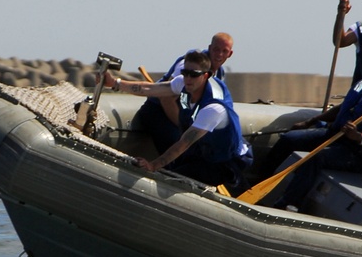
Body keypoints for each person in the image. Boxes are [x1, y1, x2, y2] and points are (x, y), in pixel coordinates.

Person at [104, 50, 252, 194]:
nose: (188, 78)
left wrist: (152, 165)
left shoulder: (213, 109)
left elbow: (184, 143)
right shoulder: (185, 83)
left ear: (205, 76)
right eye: (185, 73)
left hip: (226, 160)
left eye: (193, 75)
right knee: (173, 170)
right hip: (203, 148)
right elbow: (150, 89)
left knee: (174, 179)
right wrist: (115, 83)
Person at [271, 56, 362, 211]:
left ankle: (289, 202)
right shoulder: (361, 85)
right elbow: (342, 109)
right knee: (289, 139)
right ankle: (259, 180)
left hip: (356, 153)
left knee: (315, 158)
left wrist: (359, 137)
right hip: (335, 136)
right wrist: (310, 122)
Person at [131, 33, 234, 154]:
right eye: (216, 49)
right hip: (159, 112)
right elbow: (167, 99)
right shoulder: (191, 63)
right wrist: (184, 129)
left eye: (224, 51)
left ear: (230, 54)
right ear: (210, 48)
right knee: (181, 154)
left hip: (184, 118)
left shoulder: (219, 75)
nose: (219, 54)